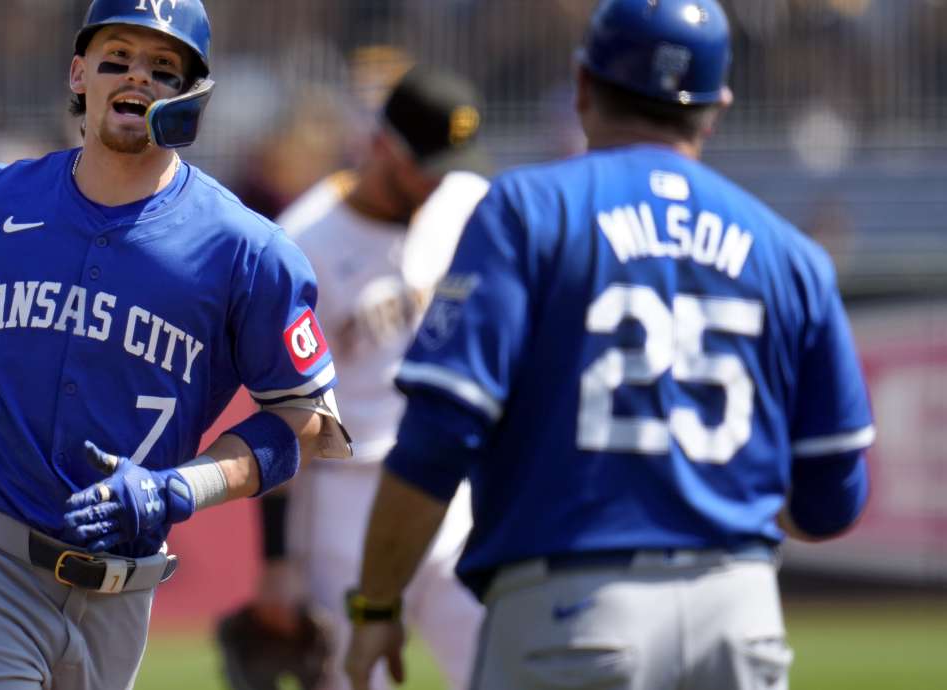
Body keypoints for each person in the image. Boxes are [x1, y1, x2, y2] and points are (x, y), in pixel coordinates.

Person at [0, 1, 349, 688]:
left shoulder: (248, 251)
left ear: (194, 96)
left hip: (123, 597)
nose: (136, 78)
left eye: (164, 68)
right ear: (80, 74)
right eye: (117, 60)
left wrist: (184, 487)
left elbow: (306, 422)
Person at [343, 2, 876, 689]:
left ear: (584, 84)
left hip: (573, 608)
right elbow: (834, 496)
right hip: (739, 613)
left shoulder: (526, 211)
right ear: (715, 107)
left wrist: (378, 603)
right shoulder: (791, 254)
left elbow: (438, 435)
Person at [222, 67, 491, 690]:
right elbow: (283, 410)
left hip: (452, 487)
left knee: (502, 661)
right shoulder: (303, 242)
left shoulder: (466, 204)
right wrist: (277, 563)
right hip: (346, 498)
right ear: (382, 146)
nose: (441, 177)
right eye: (428, 162)